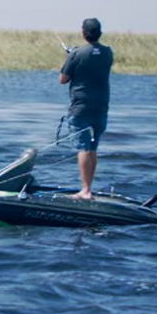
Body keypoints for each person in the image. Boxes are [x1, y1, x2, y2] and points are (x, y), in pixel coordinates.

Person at [58, 17, 113, 200]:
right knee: (92, 147)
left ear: (83, 33)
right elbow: (93, 60)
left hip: (81, 108)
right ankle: (88, 187)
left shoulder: (77, 54)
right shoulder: (107, 52)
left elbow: (63, 79)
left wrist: (71, 56)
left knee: (83, 148)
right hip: (101, 107)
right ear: (100, 33)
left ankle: (85, 190)